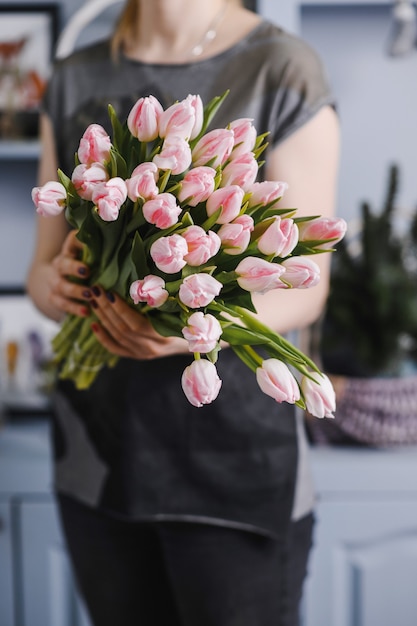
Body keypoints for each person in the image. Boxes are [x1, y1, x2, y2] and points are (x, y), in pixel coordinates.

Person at [26, 1, 340, 625]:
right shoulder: (74, 75)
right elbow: (40, 272)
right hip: (98, 458)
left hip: (233, 471)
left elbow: (306, 285)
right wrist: (56, 285)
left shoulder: (281, 67)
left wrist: (192, 331)